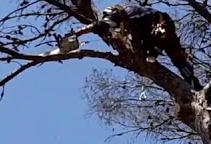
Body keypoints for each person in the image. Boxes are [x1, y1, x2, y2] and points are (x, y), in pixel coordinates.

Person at [64, 5, 202, 90]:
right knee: (175, 57)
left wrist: (77, 33)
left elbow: (101, 25)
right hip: (155, 35)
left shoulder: (123, 12)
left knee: (176, 56)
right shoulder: (134, 21)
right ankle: (193, 83)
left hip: (157, 26)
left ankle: (193, 84)